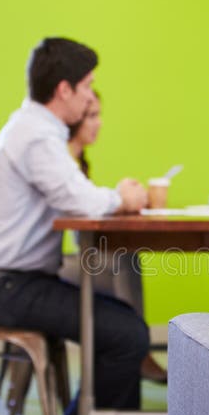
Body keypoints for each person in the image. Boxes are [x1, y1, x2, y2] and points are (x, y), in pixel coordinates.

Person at [0, 37, 165, 415]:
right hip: (3, 286)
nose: (90, 97)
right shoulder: (37, 136)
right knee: (125, 331)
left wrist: (114, 197)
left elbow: (74, 194)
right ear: (64, 89)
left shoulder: (32, 128)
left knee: (122, 321)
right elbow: (82, 200)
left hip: (5, 279)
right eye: (87, 86)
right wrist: (123, 196)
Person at [65, 90, 167, 384]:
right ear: (74, 120)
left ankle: (136, 347)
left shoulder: (77, 159)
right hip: (51, 267)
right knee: (123, 260)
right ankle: (136, 347)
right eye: (92, 116)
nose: (99, 123)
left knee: (126, 256)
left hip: (69, 258)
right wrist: (120, 198)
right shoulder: (63, 160)